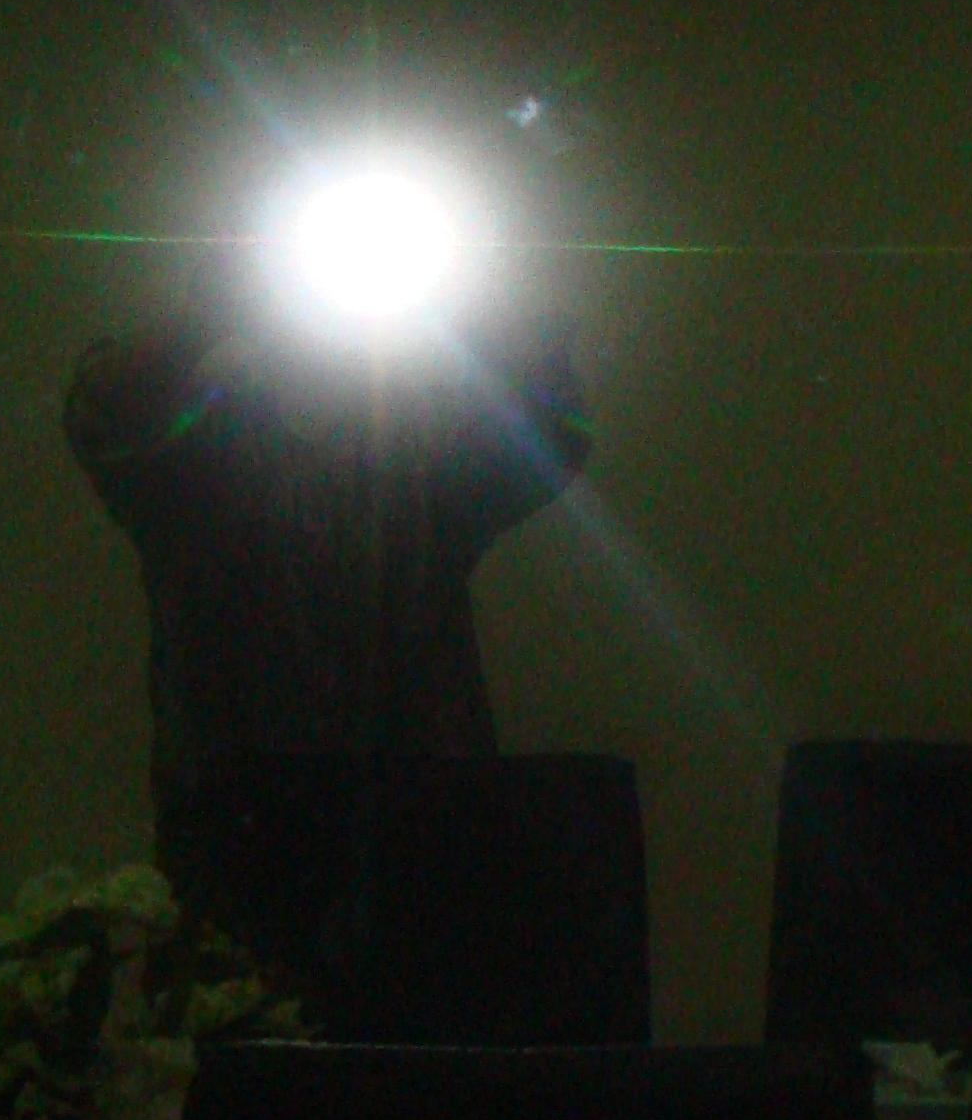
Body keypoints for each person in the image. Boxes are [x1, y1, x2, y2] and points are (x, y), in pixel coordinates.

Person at [65, 256, 591, 922]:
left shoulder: (420, 464)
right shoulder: (200, 464)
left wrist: (484, 307)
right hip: (244, 844)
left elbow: (552, 434)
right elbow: (105, 414)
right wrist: (207, 315)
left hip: (419, 848)